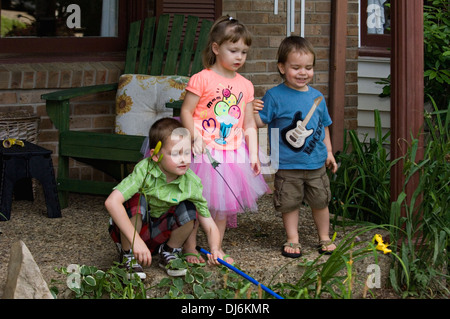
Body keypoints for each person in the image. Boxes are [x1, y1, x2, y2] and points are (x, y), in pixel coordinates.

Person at [180, 16, 270, 265]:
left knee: (221, 206)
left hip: (231, 152)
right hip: (203, 150)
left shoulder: (245, 85)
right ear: (216, 48)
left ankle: (215, 249)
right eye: (233, 50)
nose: (239, 57)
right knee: (196, 204)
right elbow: (186, 111)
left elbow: (249, 123)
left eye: (244, 52)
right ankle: (189, 248)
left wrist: (253, 154)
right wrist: (194, 138)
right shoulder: (202, 78)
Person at [105, 118, 224, 278]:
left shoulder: (191, 182)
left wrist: (215, 248)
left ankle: (169, 252)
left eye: (187, 152)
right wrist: (136, 242)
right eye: (175, 153)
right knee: (136, 199)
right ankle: (128, 256)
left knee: (190, 207)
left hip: (162, 233)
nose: (183, 159)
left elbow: (209, 224)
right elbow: (111, 202)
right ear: (155, 155)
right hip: (134, 235)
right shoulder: (144, 171)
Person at [254, 36, 338, 258]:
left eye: (308, 68)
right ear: (282, 67)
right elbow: (258, 122)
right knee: (289, 203)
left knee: (320, 201)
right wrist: (248, 108)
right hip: (287, 164)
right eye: (296, 67)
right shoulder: (274, 96)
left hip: (316, 162)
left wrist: (329, 152)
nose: (303, 73)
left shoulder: (317, 98)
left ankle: (324, 237)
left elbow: (325, 126)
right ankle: (292, 238)